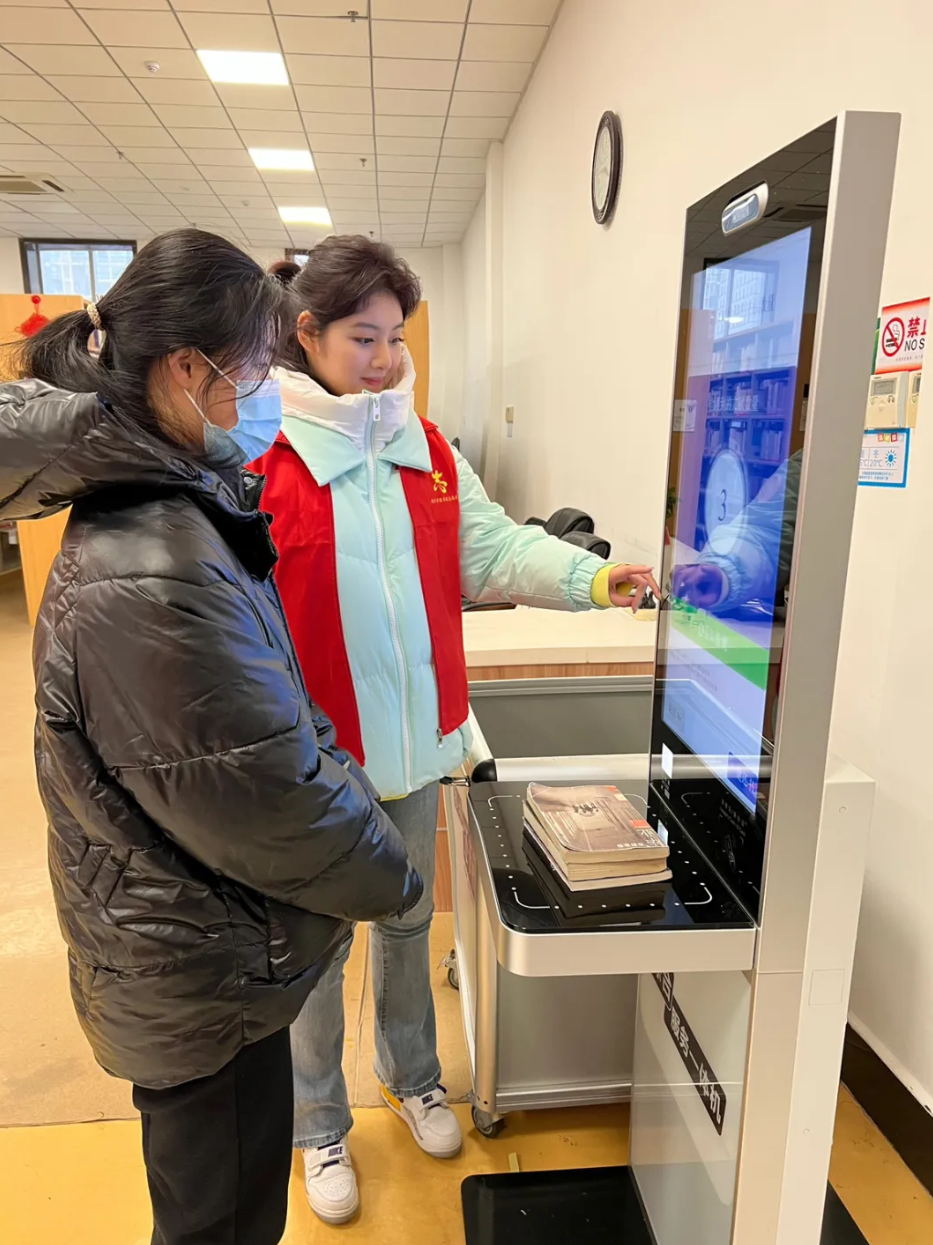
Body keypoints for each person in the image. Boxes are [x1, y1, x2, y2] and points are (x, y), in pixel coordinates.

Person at [0, 229, 421, 1245]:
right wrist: (393, 870)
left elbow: (255, 716)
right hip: (200, 961)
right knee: (221, 1221)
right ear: (189, 370)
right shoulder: (156, 555)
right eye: (256, 367)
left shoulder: (163, 505)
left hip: (194, 945)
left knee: (217, 1209)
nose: (264, 391)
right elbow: (261, 792)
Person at [254, 235, 660, 1224]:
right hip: (311, 759)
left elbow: (493, 551)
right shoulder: (261, 453)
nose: (385, 358)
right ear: (307, 334)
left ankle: (413, 1076)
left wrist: (590, 578)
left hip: (414, 743)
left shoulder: (427, 450)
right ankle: (316, 1122)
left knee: (405, 919)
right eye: (363, 337)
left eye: (395, 336)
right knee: (313, 947)